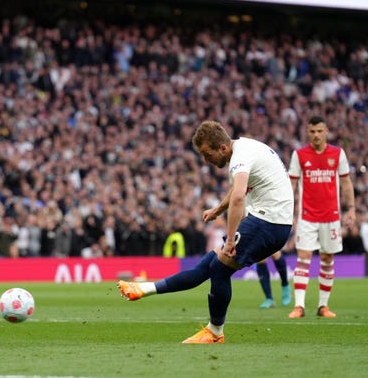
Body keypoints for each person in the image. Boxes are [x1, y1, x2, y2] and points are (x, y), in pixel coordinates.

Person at [117, 120, 293, 343]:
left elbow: (239, 197)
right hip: (273, 221)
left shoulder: (240, 158)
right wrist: (218, 209)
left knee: (219, 268)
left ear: (222, 148)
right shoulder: (245, 149)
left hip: (268, 222)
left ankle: (215, 332)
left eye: (207, 154)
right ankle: (143, 289)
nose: (205, 160)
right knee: (209, 265)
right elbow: (239, 190)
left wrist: (230, 240)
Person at [287, 116, 356, 318]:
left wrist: (351, 208)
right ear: (307, 132)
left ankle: (322, 306)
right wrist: (289, 212)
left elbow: (346, 183)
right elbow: (291, 185)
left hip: (331, 216)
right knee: (304, 258)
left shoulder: (337, 154)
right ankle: (299, 306)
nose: (316, 135)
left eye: (319, 131)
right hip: (307, 216)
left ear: (326, 131)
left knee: (327, 258)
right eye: (312, 131)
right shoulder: (299, 155)